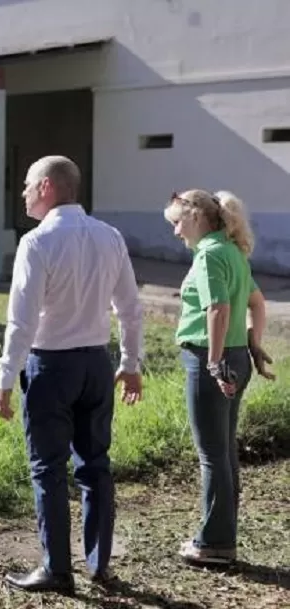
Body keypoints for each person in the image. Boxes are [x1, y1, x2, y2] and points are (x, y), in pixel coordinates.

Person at [0, 155, 145, 594]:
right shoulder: (109, 236)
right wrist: (129, 364)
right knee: (96, 465)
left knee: (48, 469)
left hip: (51, 365)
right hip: (96, 364)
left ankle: (57, 569)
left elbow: (21, 322)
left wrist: (6, 378)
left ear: (46, 187)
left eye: (26, 185)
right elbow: (131, 310)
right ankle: (99, 566)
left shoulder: (37, 243)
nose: (22, 193)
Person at [163, 189, 275, 566]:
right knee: (223, 453)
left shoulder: (211, 255)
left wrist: (212, 362)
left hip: (212, 360)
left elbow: (219, 309)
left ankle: (214, 544)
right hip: (237, 356)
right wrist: (253, 345)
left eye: (178, 222)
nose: (176, 231)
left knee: (212, 456)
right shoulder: (233, 253)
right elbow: (257, 304)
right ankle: (221, 537)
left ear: (196, 217)